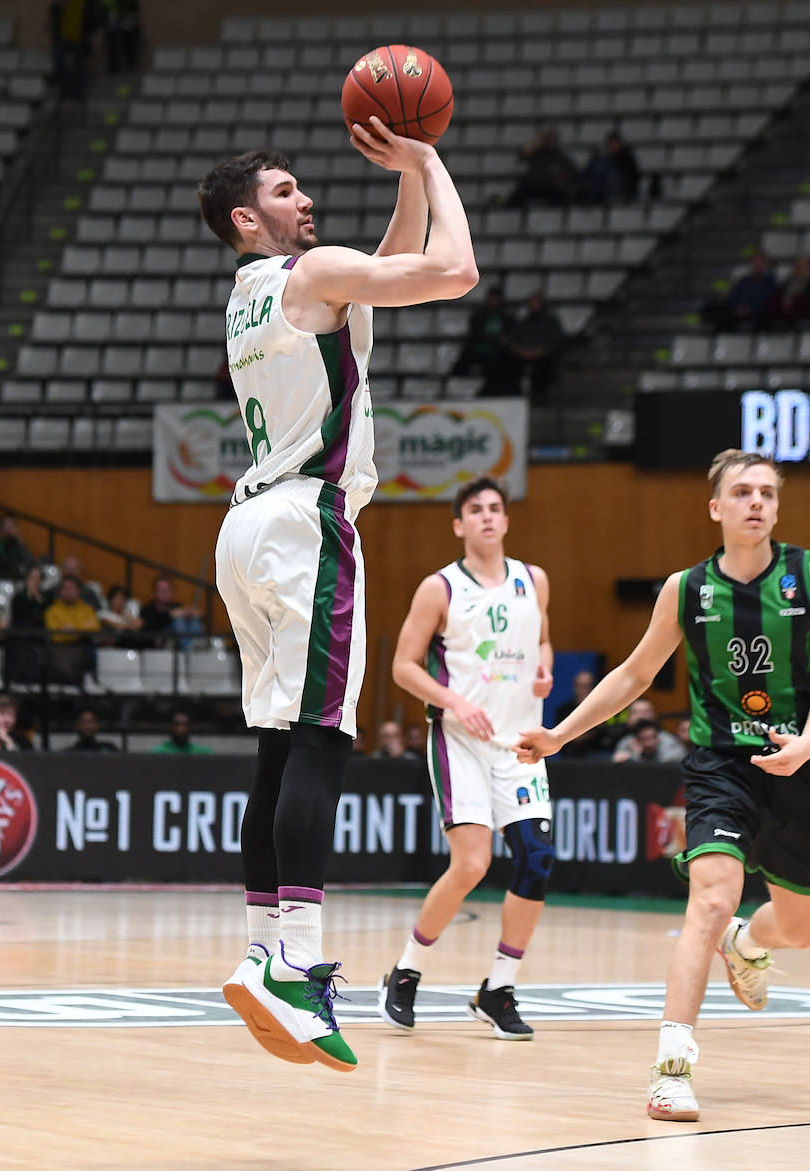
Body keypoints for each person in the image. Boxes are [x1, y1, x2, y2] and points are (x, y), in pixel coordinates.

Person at [198, 121, 477, 1073]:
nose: (305, 198)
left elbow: (385, 268)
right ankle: (301, 962)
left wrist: (402, 179)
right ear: (248, 215)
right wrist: (433, 161)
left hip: (249, 526)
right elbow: (452, 271)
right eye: (285, 190)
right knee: (321, 735)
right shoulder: (310, 275)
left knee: (279, 743)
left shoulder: (259, 292)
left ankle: (264, 947)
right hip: (309, 520)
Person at [515, 449, 810, 1122]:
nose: (757, 501)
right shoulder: (686, 589)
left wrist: (809, 740)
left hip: (798, 765)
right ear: (716, 508)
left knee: (800, 929)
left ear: (777, 507)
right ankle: (671, 1068)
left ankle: (749, 946)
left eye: (767, 492)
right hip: (721, 767)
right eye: (743, 491)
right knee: (711, 900)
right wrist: (560, 734)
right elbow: (634, 675)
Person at [380, 476, 553, 1040]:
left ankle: (498, 990)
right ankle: (406, 971)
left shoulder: (534, 580)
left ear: (506, 520)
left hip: (520, 742)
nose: (486, 517)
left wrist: (545, 665)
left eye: (495, 509)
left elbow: (543, 639)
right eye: (474, 510)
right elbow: (404, 666)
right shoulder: (440, 588)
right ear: (459, 524)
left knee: (537, 860)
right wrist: (453, 699)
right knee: (473, 863)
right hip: (460, 741)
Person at [503, 292, 564, 399]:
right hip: (521, 356)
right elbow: (512, 341)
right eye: (531, 304)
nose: (534, 306)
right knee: (507, 364)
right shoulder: (524, 322)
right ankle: (513, 396)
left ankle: (539, 397)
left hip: (543, 357)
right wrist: (521, 352)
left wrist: (536, 353)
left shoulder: (551, 322)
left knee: (543, 369)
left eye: (536, 303)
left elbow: (554, 343)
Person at [504, 128, 581, 208]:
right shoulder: (535, 155)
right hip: (533, 186)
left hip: (554, 188)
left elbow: (571, 177)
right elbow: (520, 161)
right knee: (517, 194)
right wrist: (526, 151)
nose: (547, 141)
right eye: (544, 139)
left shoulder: (562, 158)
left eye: (550, 138)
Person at [702, 253, 778, 333]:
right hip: (737, 310)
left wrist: (749, 309)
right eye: (755, 263)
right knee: (715, 310)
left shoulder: (769, 281)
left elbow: (766, 299)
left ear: (765, 265)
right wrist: (736, 308)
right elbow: (734, 296)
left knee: (765, 316)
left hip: (756, 312)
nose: (757, 265)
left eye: (760, 263)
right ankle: (718, 338)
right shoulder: (744, 280)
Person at [449, 287, 512, 384]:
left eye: (495, 298)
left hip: (496, 352)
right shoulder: (479, 315)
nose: (493, 301)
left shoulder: (506, 317)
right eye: (491, 298)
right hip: (477, 349)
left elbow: (507, 336)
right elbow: (474, 334)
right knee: (461, 366)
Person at [555, 669, 615, 757]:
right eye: (580, 685)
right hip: (568, 756)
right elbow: (558, 734)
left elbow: (603, 733)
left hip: (595, 756)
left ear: (593, 687)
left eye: (587, 686)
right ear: (575, 687)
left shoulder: (601, 709)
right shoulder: (563, 710)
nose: (583, 689)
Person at [581, 131, 641, 204]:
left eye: (614, 144)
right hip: (607, 191)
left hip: (622, 192)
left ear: (620, 144)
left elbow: (631, 180)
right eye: (610, 144)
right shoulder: (606, 158)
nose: (612, 146)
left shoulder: (626, 159)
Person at [772, 256, 810, 325]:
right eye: (799, 266)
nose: (801, 269)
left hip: (803, 313)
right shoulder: (787, 282)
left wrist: (793, 300)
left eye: (804, 267)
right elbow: (778, 296)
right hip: (784, 312)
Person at [612, 717, 688, 764]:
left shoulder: (669, 742)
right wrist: (636, 754)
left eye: (653, 737)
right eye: (645, 739)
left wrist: (636, 758)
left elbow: (661, 769)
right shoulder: (626, 743)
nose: (651, 743)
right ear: (637, 740)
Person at [0, 515, 33, 580]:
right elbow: (2, 560)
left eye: (12, 526)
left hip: (18, 575)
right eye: (8, 527)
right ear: (2, 528)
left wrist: (19, 541)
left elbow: (28, 559)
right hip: (4, 576)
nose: (10, 529)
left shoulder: (15, 542)